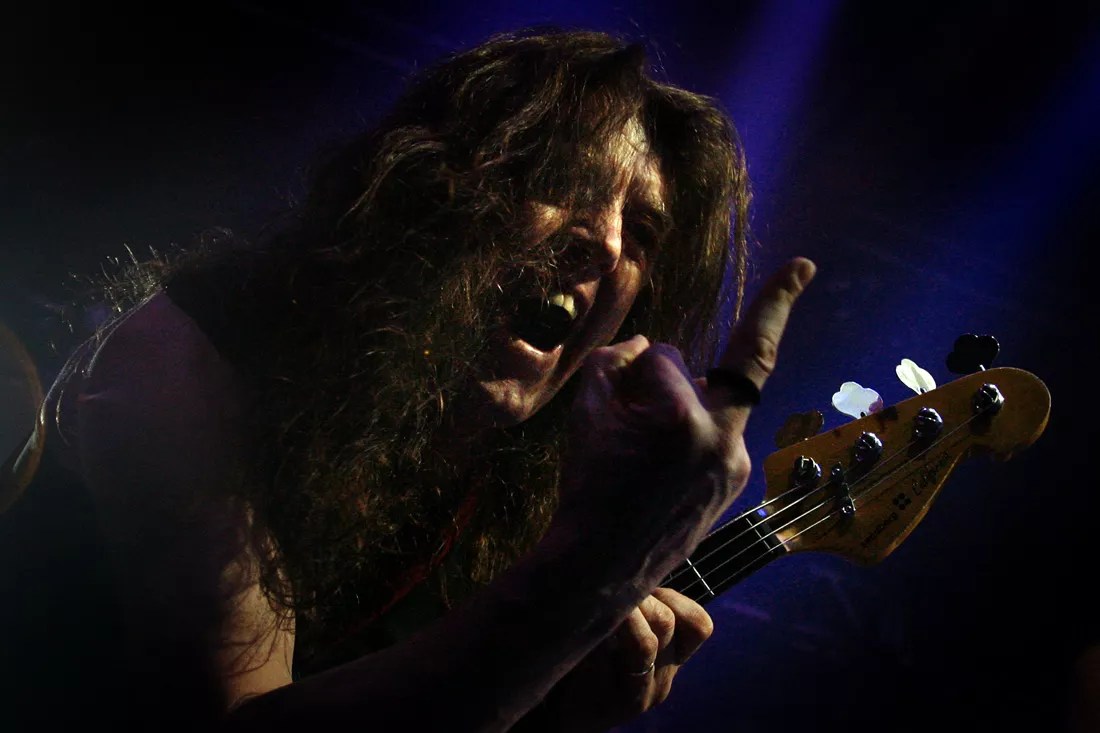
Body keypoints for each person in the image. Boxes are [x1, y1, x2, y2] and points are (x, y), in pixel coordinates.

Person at [2, 28, 814, 731]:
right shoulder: (190, 352)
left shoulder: (528, 482)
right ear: (435, 186)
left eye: (640, 231)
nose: (605, 242)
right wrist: (594, 574)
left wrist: (556, 708)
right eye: (563, 183)